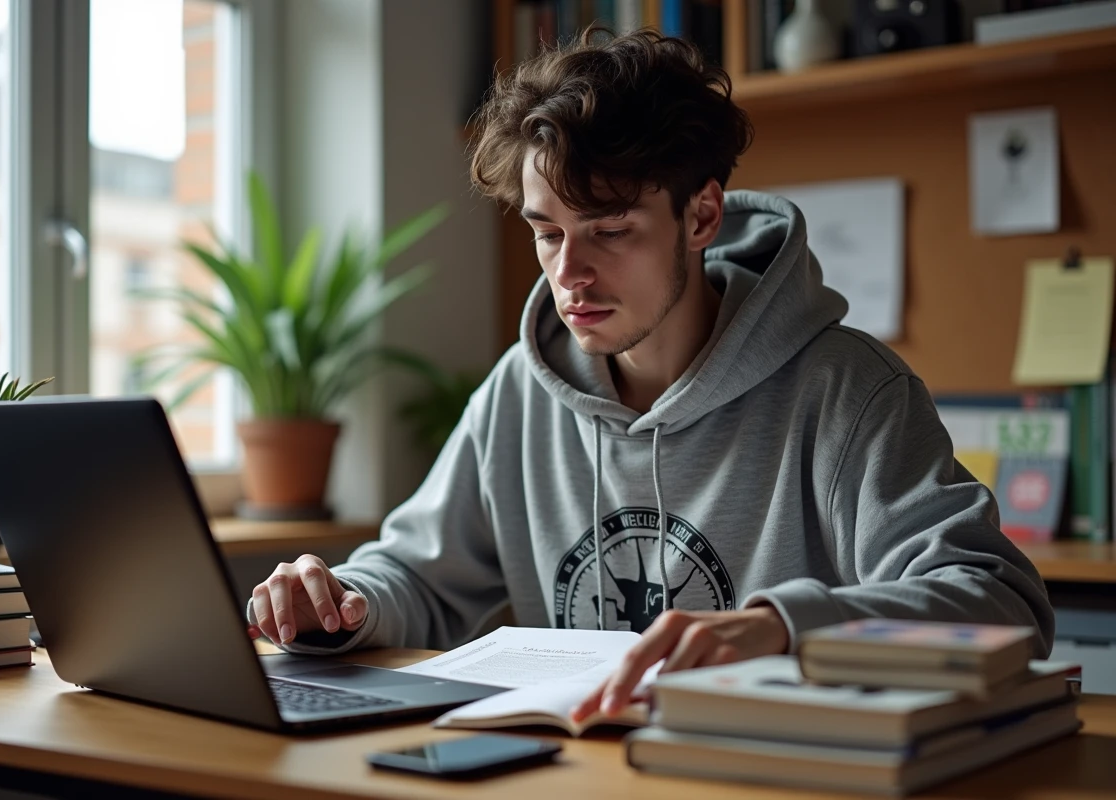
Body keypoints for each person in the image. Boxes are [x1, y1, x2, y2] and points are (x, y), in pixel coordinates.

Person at [247, 29, 1053, 723]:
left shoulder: (847, 390)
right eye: (548, 233)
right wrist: (338, 602)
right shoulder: (520, 392)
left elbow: (999, 601)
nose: (570, 275)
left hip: (775, 770)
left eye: (610, 230)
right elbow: (416, 577)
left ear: (701, 216)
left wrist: (782, 626)